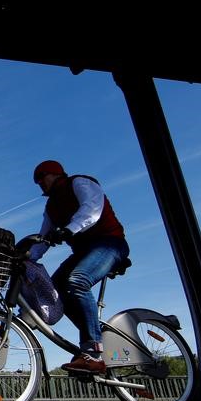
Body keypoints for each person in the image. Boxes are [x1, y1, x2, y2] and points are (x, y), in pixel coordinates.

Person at [30, 160, 129, 375]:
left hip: (109, 243)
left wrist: (68, 230)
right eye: (37, 181)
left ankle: (92, 350)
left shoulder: (79, 183)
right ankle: (95, 337)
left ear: (56, 174)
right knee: (54, 290)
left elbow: (91, 209)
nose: (40, 183)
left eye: (42, 177)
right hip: (84, 252)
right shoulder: (51, 207)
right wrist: (27, 256)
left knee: (77, 280)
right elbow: (43, 238)